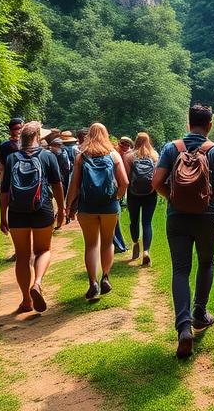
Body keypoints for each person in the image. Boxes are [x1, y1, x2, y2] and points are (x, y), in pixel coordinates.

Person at [152, 104, 214, 359]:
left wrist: (174, 198)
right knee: (206, 263)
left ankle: (183, 328)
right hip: (206, 217)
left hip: (176, 217)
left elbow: (156, 183)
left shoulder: (171, 148)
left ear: (188, 124)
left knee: (180, 269)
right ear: (209, 125)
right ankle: (200, 313)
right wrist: (205, 197)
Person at [0, 121, 65, 314]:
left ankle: (26, 301)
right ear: (38, 136)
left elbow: (4, 190)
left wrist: (3, 216)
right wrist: (61, 209)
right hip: (42, 209)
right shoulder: (48, 156)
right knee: (43, 250)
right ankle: (37, 283)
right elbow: (57, 185)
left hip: (17, 212)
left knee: (22, 256)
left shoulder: (11, 158)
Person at [65, 123, 128, 300]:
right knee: (107, 242)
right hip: (109, 206)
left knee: (91, 244)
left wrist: (68, 206)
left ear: (88, 136)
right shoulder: (114, 155)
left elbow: (74, 185)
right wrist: (117, 197)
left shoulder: (81, 156)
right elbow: (125, 182)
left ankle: (92, 282)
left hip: (87, 207)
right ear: (106, 135)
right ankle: (105, 277)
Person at [123, 131, 159, 267]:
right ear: (148, 141)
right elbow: (157, 176)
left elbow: (126, 177)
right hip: (150, 194)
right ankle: (146, 251)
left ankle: (136, 243)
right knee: (147, 223)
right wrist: (153, 189)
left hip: (133, 194)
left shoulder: (129, 156)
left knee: (134, 221)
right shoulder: (155, 156)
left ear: (136, 141)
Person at [113, 135, 134, 253]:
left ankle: (119, 244)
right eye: (123, 144)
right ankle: (118, 244)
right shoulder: (116, 156)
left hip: (119, 190)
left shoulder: (124, 156)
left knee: (116, 219)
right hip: (115, 190)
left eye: (127, 145)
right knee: (114, 219)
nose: (125, 146)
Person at [0, 117, 23, 182]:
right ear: (10, 130)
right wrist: (2, 183)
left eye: (21, 128)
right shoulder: (4, 146)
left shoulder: (26, 144)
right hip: (9, 179)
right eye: (16, 129)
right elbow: (1, 167)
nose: (19, 131)